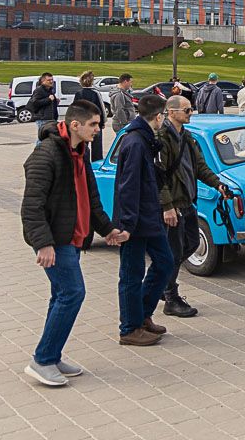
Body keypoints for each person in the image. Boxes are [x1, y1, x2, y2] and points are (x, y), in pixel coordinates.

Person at [21, 99, 128, 386]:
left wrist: (107, 230)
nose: (98, 129)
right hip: (56, 240)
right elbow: (31, 206)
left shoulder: (80, 152)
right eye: (94, 124)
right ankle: (42, 360)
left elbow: (91, 199)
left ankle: (51, 355)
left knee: (61, 295)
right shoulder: (46, 155)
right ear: (75, 125)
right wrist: (43, 243)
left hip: (73, 237)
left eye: (99, 124)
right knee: (72, 293)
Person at [156, 96, 232, 318]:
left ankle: (161, 281)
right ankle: (170, 297)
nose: (191, 113)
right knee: (174, 251)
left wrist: (218, 184)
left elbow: (199, 166)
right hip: (174, 204)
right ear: (172, 112)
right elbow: (158, 176)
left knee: (192, 244)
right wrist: (167, 206)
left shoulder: (186, 136)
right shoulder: (162, 138)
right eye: (187, 110)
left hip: (188, 201)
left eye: (191, 109)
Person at [112, 94, 173, 347]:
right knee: (131, 273)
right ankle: (129, 328)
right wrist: (126, 225)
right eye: (164, 116)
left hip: (149, 216)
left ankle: (143, 314)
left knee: (165, 262)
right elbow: (128, 187)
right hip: (135, 221)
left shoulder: (146, 139)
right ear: (158, 116)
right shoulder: (135, 142)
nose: (164, 120)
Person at [74, 71, 107, 162]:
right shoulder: (95, 93)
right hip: (95, 124)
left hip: (83, 124)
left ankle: (83, 164)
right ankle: (96, 164)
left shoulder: (78, 94)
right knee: (97, 148)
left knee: (83, 147)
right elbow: (101, 109)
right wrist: (103, 122)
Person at [28, 72, 59, 145]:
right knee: (42, 138)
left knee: (48, 138)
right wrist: (48, 99)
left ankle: (44, 150)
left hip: (50, 118)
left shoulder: (50, 90)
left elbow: (49, 103)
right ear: (43, 81)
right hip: (43, 119)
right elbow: (35, 102)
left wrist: (55, 101)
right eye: (48, 80)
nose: (51, 81)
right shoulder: (39, 90)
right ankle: (38, 150)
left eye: (52, 80)